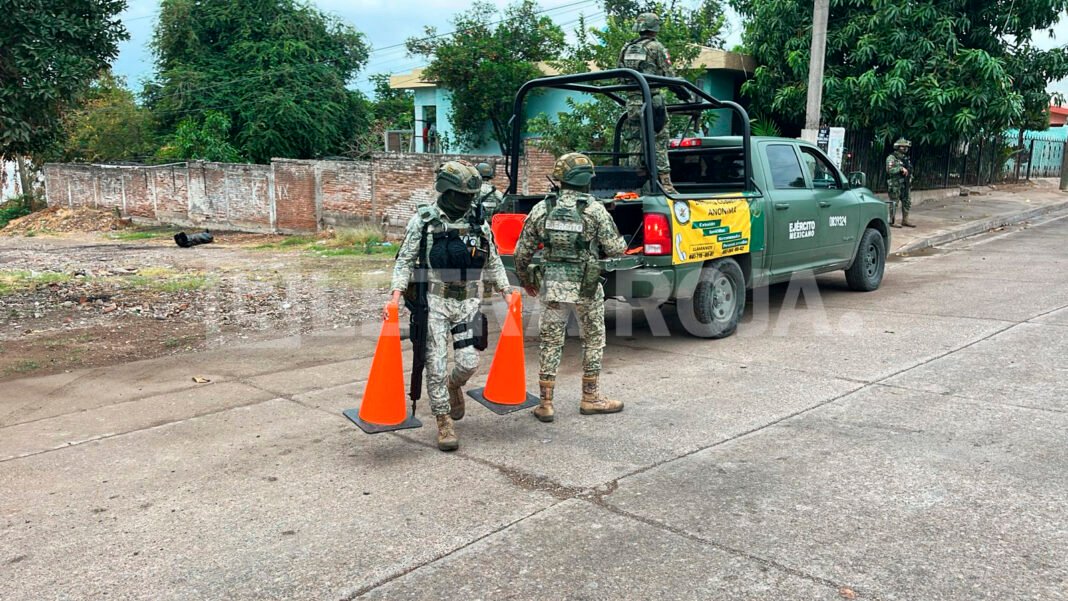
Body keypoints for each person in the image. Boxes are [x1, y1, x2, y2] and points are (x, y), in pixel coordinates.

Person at [387, 160, 515, 451]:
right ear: (446, 190)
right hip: (435, 302)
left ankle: (453, 385)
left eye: (470, 196)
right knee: (435, 365)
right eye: (462, 195)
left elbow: (493, 259)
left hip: (467, 302)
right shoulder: (424, 221)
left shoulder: (478, 222)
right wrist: (395, 296)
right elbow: (404, 261)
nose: (467, 201)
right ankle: (444, 421)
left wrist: (506, 291)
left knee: (469, 363)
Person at [513, 153, 628, 422]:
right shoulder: (594, 209)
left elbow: (521, 253)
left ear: (560, 178)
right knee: (593, 339)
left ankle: (545, 403)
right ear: (587, 180)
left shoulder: (542, 208)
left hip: (552, 286)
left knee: (551, 341)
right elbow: (615, 249)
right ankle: (590, 398)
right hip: (586, 286)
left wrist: (526, 280)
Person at [617, 12, 690, 194]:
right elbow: (668, 75)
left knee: (634, 141)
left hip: (632, 103)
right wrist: (683, 94)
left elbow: (620, 75)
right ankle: (666, 184)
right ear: (654, 28)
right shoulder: (656, 47)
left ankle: (633, 185)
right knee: (659, 140)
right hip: (652, 101)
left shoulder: (627, 48)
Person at [886, 138, 915, 228]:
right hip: (895, 184)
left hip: (905, 184)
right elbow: (889, 170)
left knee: (907, 202)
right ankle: (892, 221)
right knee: (894, 203)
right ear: (898, 147)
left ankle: (905, 220)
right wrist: (900, 168)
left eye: (906, 147)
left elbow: (910, 170)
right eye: (903, 146)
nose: (905, 148)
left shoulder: (905, 158)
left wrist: (910, 178)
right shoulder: (892, 158)